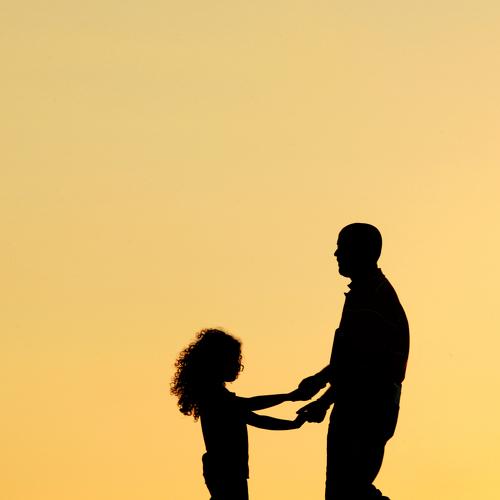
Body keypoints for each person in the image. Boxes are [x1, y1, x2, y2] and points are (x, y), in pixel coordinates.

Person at [297, 223, 410, 500]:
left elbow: (362, 368)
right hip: (365, 405)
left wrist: (323, 400)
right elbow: (353, 359)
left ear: (363, 252)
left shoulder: (371, 299)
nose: (336, 254)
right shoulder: (368, 293)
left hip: (364, 409)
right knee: (350, 488)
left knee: (347, 490)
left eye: (342, 247)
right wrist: (321, 381)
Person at [171, 328, 307, 500]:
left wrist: (292, 417)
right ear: (217, 362)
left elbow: (252, 415)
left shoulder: (216, 395)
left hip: (228, 469)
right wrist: (289, 398)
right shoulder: (214, 396)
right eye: (233, 359)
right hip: (226, 470)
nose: (238, 365)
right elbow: (250, 408)